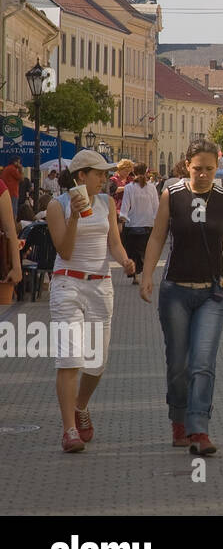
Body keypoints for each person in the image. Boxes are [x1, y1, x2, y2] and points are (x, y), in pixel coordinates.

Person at [139, 140, 223, 454]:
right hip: (175, 291)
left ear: (217, 167)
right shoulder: (171, 195)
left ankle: (199, 429)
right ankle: (179, 419)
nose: (202, 175)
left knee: (203, 362)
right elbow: (158, 236)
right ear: (187, 165)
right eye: (197, 168)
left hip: (212, 292)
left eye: (209, 169)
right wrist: (147, 276)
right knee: (178, 364)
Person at [46, 149, 136, 452]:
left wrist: (125, 261)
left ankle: (80, 405)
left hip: (100, 286)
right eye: (99, 173)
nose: (104, 178)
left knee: (96, 362)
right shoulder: (56, 207)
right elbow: (65, 250)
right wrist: (73, 216)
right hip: (67, 283)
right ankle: (69, 429)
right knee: (70, 358)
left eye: (105, 174)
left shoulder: (106, 203)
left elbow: (114, 243)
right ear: (81, 176)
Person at [120, 163, 159, 286]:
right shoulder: (152, 187)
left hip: (132, 224)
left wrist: (123, 218)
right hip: (148, 224)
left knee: (132, 252)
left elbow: (125, 206)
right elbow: (156, 207)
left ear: (133, 172)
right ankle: (146, 275)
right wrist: (156, 221)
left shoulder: (129, 187)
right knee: (146, 252)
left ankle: (135, 276)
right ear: (147, 172)